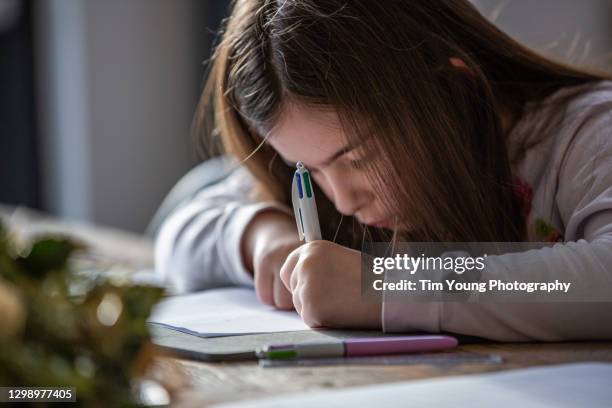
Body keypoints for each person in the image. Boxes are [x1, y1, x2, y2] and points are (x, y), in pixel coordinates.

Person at [155, 0, 612, 341]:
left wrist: (383, 285)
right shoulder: (330, 178)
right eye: (309, 170)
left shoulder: (588, 135)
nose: (344, 202)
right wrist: (266, 239)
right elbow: (180, 232)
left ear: (448, 95)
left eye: (358, 159)